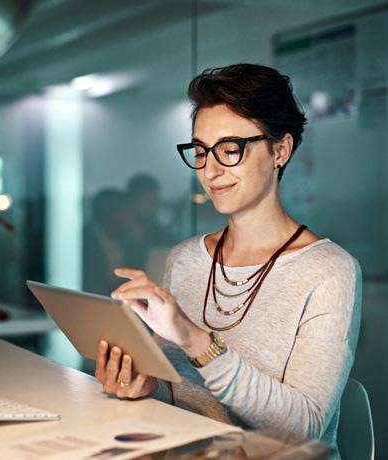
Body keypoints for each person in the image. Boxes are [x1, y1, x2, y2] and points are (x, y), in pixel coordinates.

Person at [94, 63, 360, 457]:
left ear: (280, 150)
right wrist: (146, 386)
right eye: (200, 151)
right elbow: (182, 397)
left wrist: (193, 337)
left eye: (230, 149)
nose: (211, 170)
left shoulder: (329, 271)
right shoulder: (185, 259)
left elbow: (304, 426)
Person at [121, 174, 174, 269]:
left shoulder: (161, 235)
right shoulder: (116, 233)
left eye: (155, 202)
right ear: (132, 201)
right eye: (147, 202)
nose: (153, 207)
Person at [83, 188, 129, 295]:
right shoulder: (84, 242)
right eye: (125, 212)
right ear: (110, 214)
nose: (129, 217)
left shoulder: (125, 240)